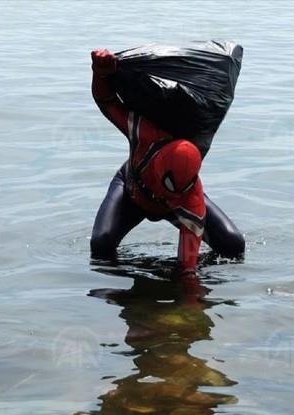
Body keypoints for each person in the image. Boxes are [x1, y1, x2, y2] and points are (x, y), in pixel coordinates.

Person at [89, 49, 245, 275]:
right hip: (131, 191)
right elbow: (106, 100)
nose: (167, 195)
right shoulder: (143, 132)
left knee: (233, 246)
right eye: (166, 188)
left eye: (176, 192)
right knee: (101, 247)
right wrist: (100, 72)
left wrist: (188, 300)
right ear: (156, 164)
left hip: (178, 205)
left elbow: (187, 268)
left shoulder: (189, 199)